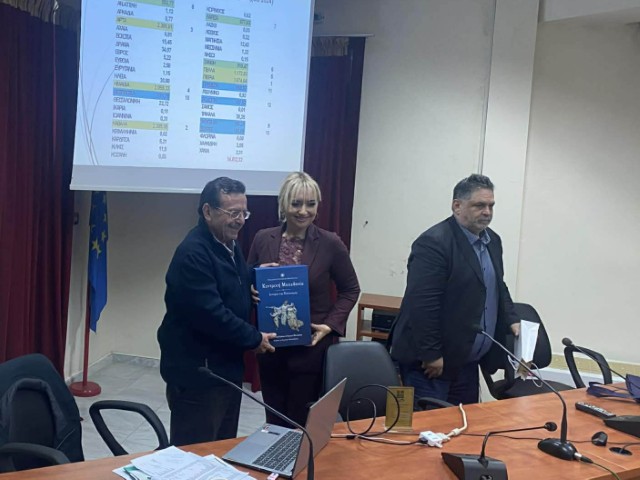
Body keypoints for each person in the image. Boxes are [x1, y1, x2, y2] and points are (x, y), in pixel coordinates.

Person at [157, 177, 276, 446]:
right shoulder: (193, 253)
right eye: (233, 213)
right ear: (208, 211)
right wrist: (255, 338)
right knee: (195, 453)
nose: (240, 220)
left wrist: (254, 275)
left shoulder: (226, 242)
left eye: (244, 213)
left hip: (224, 370)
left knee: (221, 447)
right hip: (199, 376)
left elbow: (229, 280)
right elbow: (212, 315)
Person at [390, 174, 520, 407]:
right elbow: (423, 304)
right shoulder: (434, 243)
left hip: (467, 361)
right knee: (426, 427)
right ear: (457, 206)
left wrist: (512, 319)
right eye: (479, 205)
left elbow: (497, 285)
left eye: (491, 206)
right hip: (430, 365)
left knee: (464, 425)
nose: (487, 212)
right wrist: (431, 355)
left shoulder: (493, 241)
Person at [248, 172, 361, 426]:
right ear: (283, 204)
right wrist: (251, 289)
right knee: (274, 422)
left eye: (310, 204)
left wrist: (330, 325)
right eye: (296, 203)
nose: (303, 211)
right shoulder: (263, 238)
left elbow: (350, 289)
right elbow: (248, 279)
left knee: (302, 423)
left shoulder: (330, 243)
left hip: (310, 349)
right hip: (271, 347)